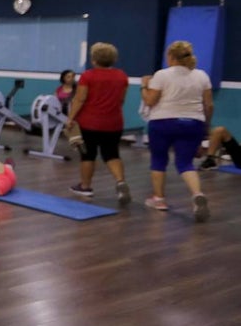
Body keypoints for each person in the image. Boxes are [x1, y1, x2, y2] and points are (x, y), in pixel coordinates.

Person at [141, 40, 214, 220]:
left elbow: (150, 101)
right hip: (193, 123)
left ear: (171, 56)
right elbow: (209, 105)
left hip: (163, 122)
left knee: (159, 160)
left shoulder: (161, 75)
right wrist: (205, 128)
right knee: (185, 163)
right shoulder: (202, 76)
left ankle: (159, 199)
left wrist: (144, 85)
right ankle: (197, 194)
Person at [64, 43, 131, 205]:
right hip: (114, 123)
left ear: (94, 59)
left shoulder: (88, 76)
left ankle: (85, 186)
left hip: (90, 123)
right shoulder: (122, 76)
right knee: (112, 154)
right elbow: (121, 100)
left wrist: (70, 118)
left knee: (88, 155)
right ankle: (120, 182)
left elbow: (79, 99)